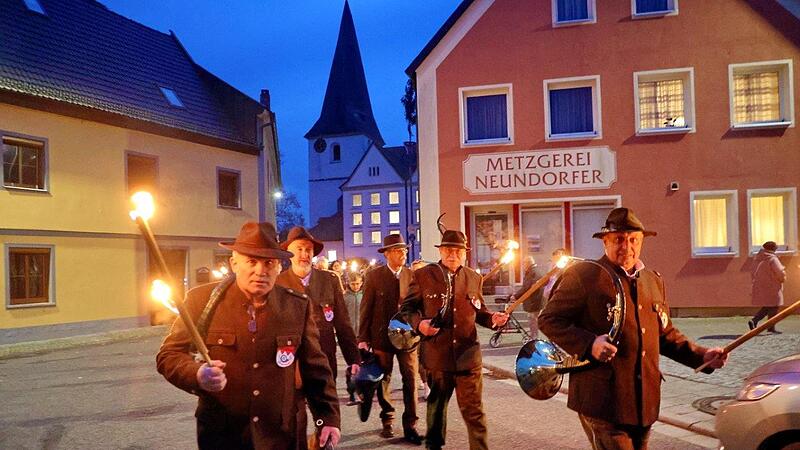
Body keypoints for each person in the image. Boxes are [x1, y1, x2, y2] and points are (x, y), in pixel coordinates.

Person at [538, 207, 728, 450]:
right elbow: (550, 319)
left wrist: (702, 356)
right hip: (602, 400)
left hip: (644, 400)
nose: (626, 247)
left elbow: (665, 334)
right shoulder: (584, 275)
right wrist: (590, 343)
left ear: (641, 242)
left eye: (633, 240)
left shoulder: (652, 280)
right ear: (605, 242)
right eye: (618, 239)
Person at [156, 221, 341, 449]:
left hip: (281, 435)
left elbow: (316, 369)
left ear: (278, 267)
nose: (260, 271)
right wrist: (197, 374)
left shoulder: (297, 306)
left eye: (269, 263)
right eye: (251, 261)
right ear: (234, 263)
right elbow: (169, 355)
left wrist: (328, 418)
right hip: (223, 435)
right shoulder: (202, 301)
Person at [400, 228, 509, 450]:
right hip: (438, 357)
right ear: (440, 251)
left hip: (468, 357)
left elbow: (480, 312)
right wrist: (419, 324)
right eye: (448, 250)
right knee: (437, 410)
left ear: (465, 253)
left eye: (458, 251)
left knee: (474, 412)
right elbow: (407, 309)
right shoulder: (423, 276)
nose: (453, 255)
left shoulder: (473, 277)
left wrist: (494, 319)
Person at [358, 234, 423, 444]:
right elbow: (365, 308)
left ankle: (411, 424)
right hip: (382, 337)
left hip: (407, 338)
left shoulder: (412, 275)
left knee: (411, 380)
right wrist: (363, 337)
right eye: (397, 250)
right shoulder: (374, 276)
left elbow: (419, 308)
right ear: (386, 254)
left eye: (404, 250)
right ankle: (387, 418)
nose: (402, 253)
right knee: (383, 380)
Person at [277, 226, 361, 382]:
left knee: (327, 405)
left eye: (308, 249)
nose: (304, 254)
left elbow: (343, 322)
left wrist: (353, 359)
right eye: (299, 249)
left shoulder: (330, 280)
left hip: (325, 358)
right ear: (289, 253)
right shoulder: (278, 283)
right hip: (292, 362)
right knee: (294, 406)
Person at [749, 241, 786, 333]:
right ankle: (761, 323)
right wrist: (783, 278)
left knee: (769, 305)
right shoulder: (772, 258)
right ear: (773, 248)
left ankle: (760, 323)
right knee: (774, 306)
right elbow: (779, 272)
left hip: (761, 285)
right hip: (773, 285)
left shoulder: (758, 258)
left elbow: (752, 271)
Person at [410, 259, 432, 401]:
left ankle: (428, 384)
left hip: (429, 326)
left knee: (427, 358)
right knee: (416, 358)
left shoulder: (432, 287)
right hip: (413, 327)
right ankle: (424, 383)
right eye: (415, 271)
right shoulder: (409, 288)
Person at [508, 256, 543, 339]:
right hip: (535, 300)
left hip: (533, 301)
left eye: (524, 263)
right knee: (533, 320)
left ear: (528, 263)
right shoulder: (535, 271)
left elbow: (527, 287)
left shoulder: (532, 272)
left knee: (532, 320)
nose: (523, 266)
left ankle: (534, 337)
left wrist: (515, 296)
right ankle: (533, 336)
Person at [344, 272, 364, 405]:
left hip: (361, 334)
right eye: (353, 284)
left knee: (362, 364)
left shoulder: (364, 296)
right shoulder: (345, 297)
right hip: (350, 334)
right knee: (352, 365)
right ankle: (351, 391)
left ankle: (361, 391)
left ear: (361, 282)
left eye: (358, 283)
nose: (356, 286)